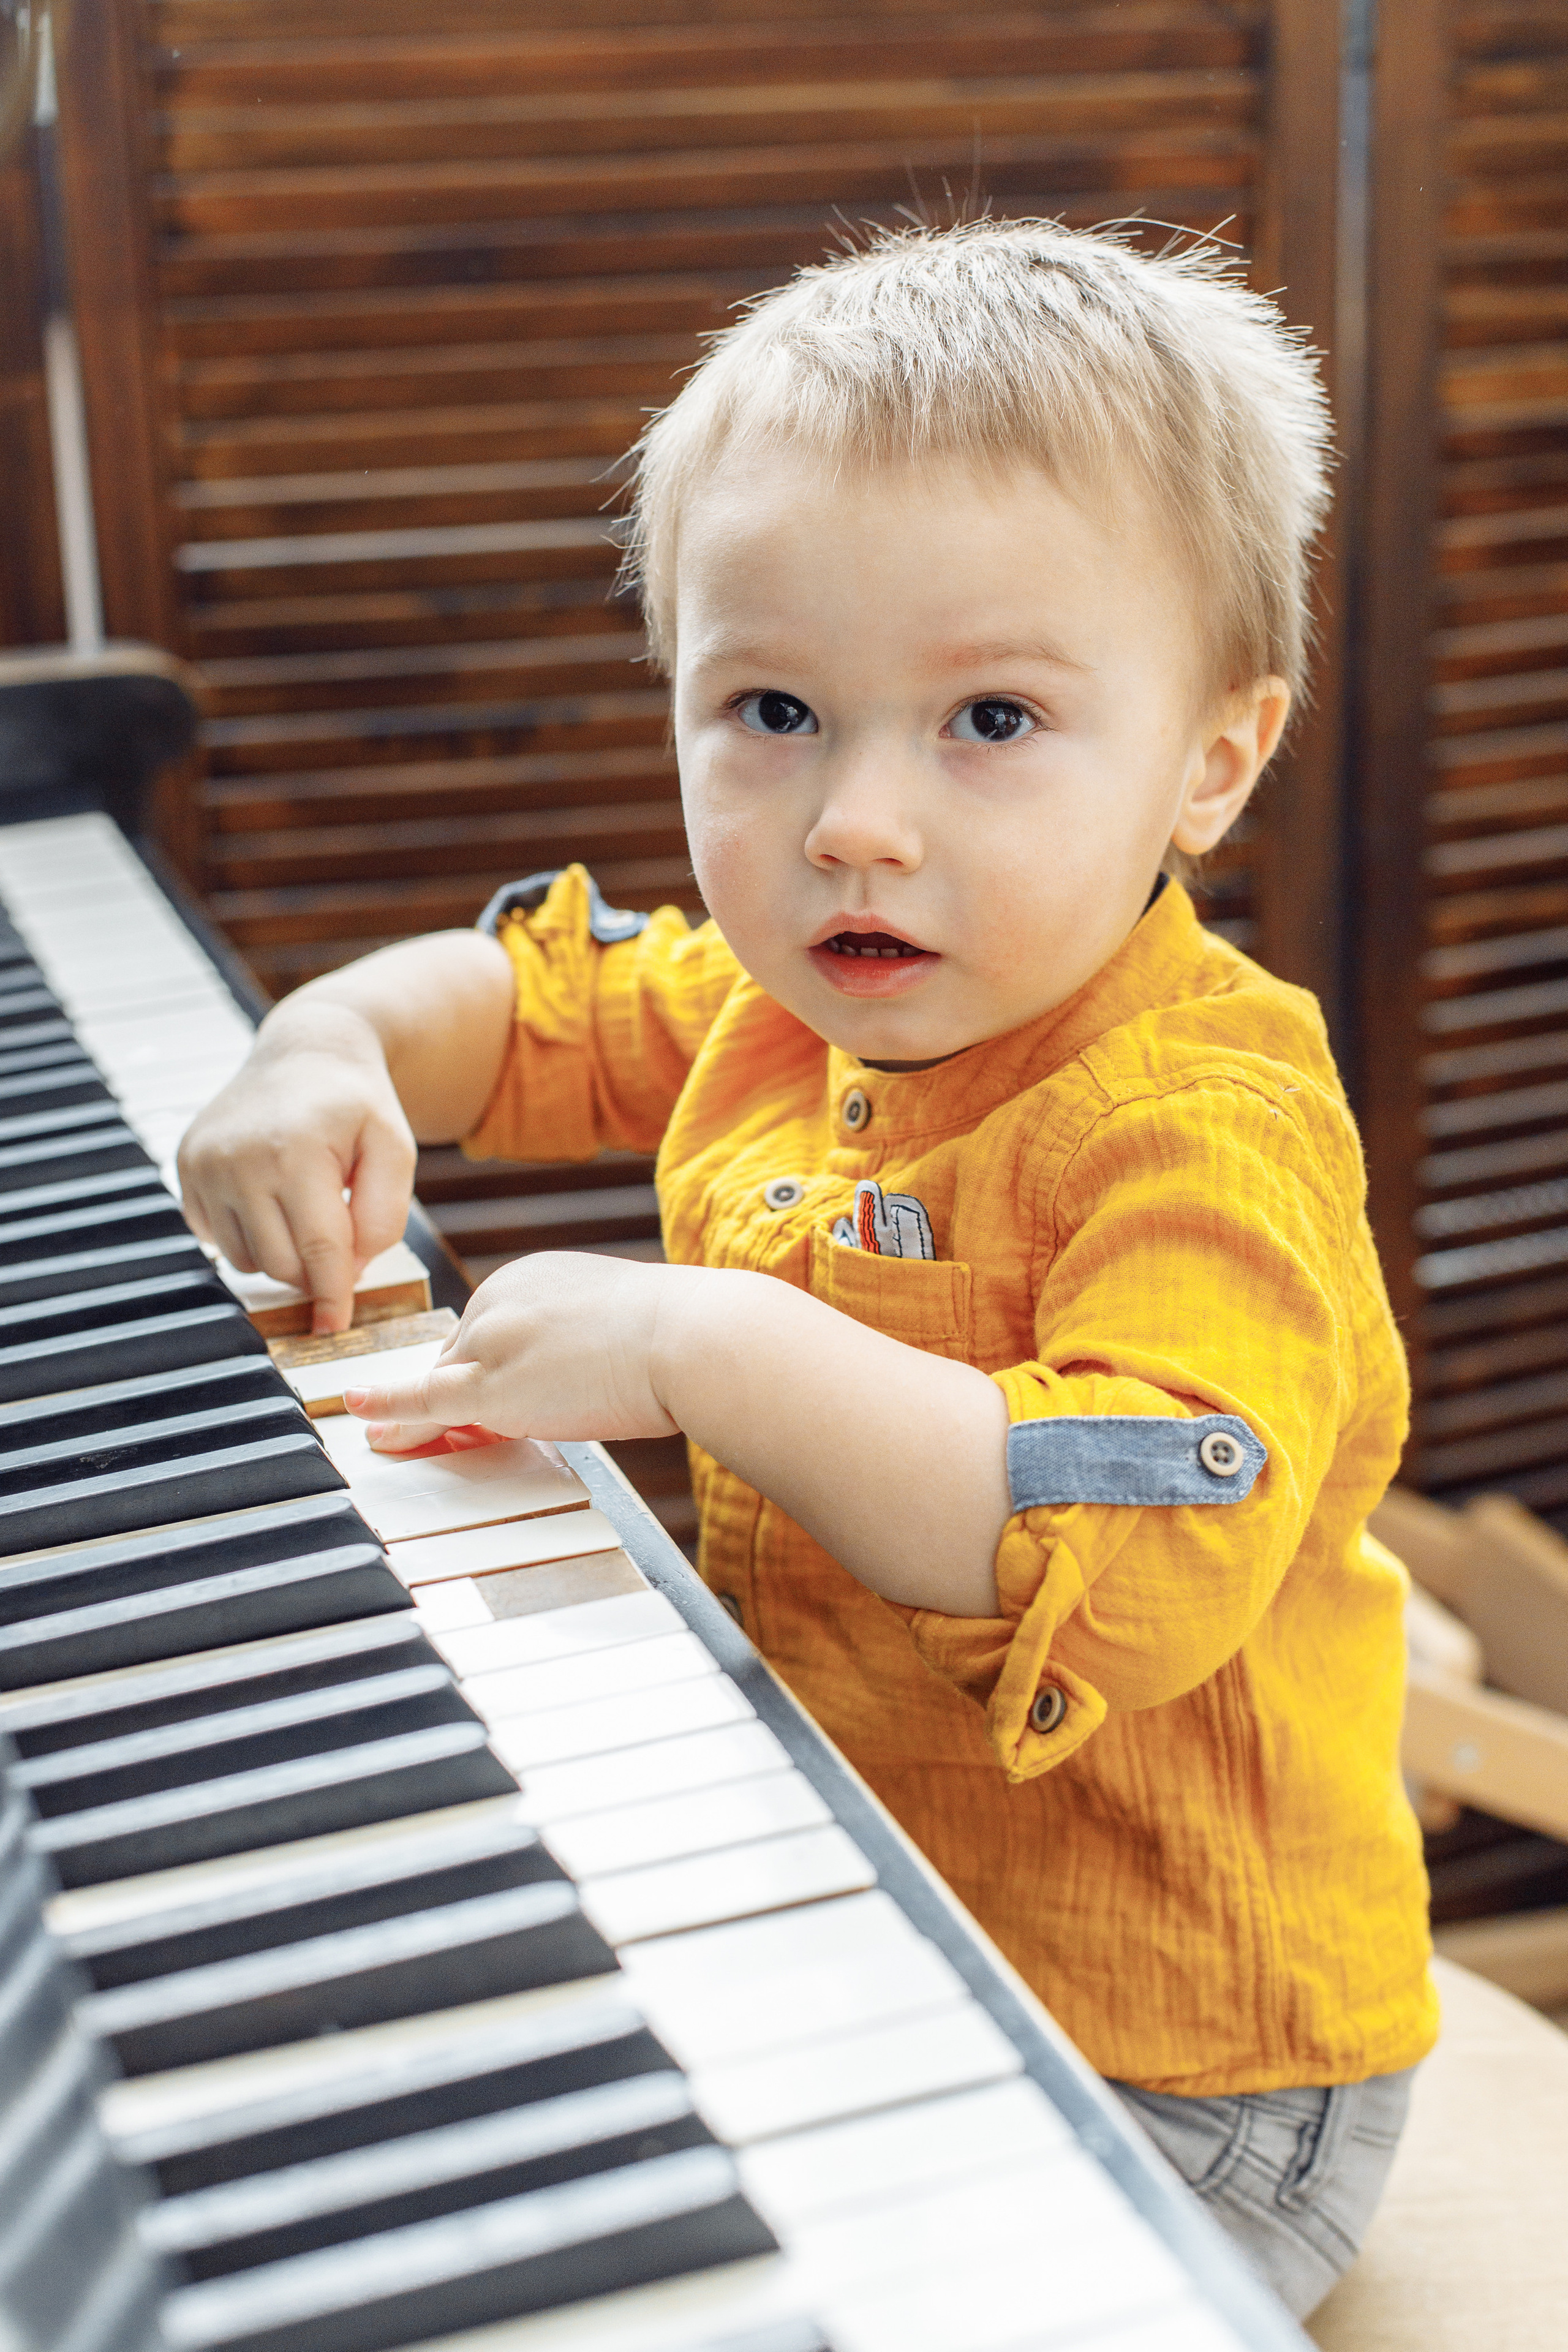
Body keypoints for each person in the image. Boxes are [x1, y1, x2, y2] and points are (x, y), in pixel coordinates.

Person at [178, 219, 1437, 2318]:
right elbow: (528, 1003)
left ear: (1210, 759)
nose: (855, 819)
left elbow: (1132, 1533)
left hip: (1176, 2073)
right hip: (873, 1911)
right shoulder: (799, 1003)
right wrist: (323, 1048)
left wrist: (705, 1342)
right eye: (774, 708)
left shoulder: (1199, 1122)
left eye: (990, 718)